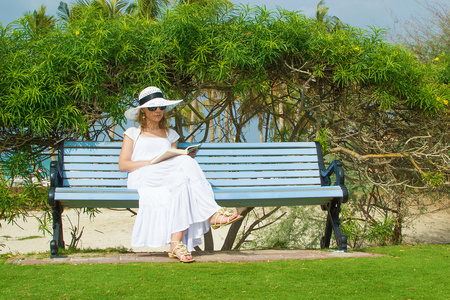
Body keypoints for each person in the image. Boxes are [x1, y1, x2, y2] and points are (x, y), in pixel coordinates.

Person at [119, 86, 242, 263]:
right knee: (184, 164)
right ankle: (212, 213)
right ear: (143, 111)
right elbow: (123, 165)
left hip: (166, 178)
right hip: (142, 177)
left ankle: (175, 244)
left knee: (182, 180)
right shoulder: (133, 133)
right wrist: (151, 162)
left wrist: (181, 155)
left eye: (161, 107)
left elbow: (173, 165)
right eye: (153, 108)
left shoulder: (171, 134)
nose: (158, 111)